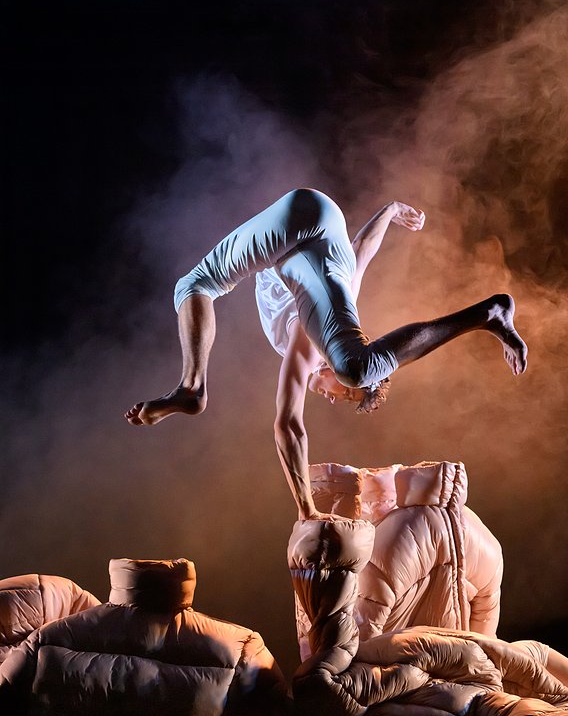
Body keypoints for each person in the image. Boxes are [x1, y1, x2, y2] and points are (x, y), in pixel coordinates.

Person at [125, 187, 528, 520]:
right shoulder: (312, 344)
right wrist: (307, 510)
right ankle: (488, 314)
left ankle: (192, 385)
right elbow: (288, 424)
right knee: (356, 367)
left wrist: (389, 211)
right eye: (345, 394)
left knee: (194, 285)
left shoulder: (337, 297)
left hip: (297, 225)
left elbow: (362, 248)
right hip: (303, 224)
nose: (332, 398)